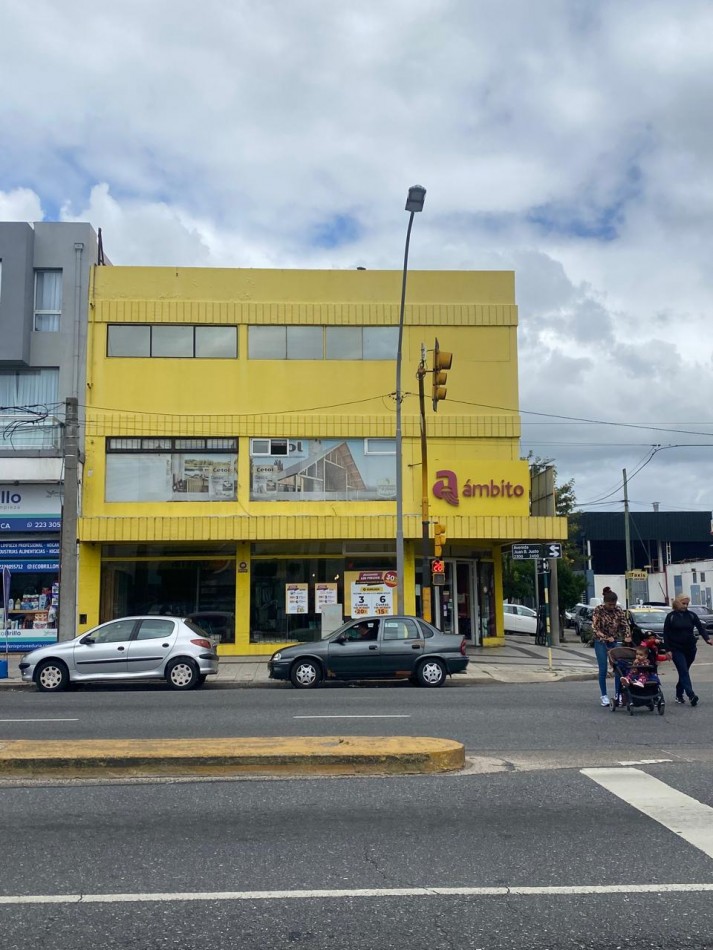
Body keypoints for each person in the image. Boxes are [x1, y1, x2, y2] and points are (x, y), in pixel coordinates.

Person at [663, 595, 713, 706]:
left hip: (690, 648)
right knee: (683, 671)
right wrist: (668, 650)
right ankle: (691, 695)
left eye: (687, 604)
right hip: (676, 649)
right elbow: (666, 634)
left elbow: (700, 628)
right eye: (683, 603)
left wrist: (707, 639)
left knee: (683, 672)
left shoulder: (691, 615)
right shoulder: (671, 617)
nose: (685, 606)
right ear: (677, 603)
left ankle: (679, 694)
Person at [591, 589, 630, 707]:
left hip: (614, 641)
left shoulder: (618, 611)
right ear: (605, 602)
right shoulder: (598, 610)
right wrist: (605, 637)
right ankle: (604, 696)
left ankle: (618, 694)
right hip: (601, 641)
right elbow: (594, 627)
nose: (612, 607)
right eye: (610, 604)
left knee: (619, 667)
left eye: (614, 604)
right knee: (603, 669)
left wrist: (627, 636)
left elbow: (625, 625)